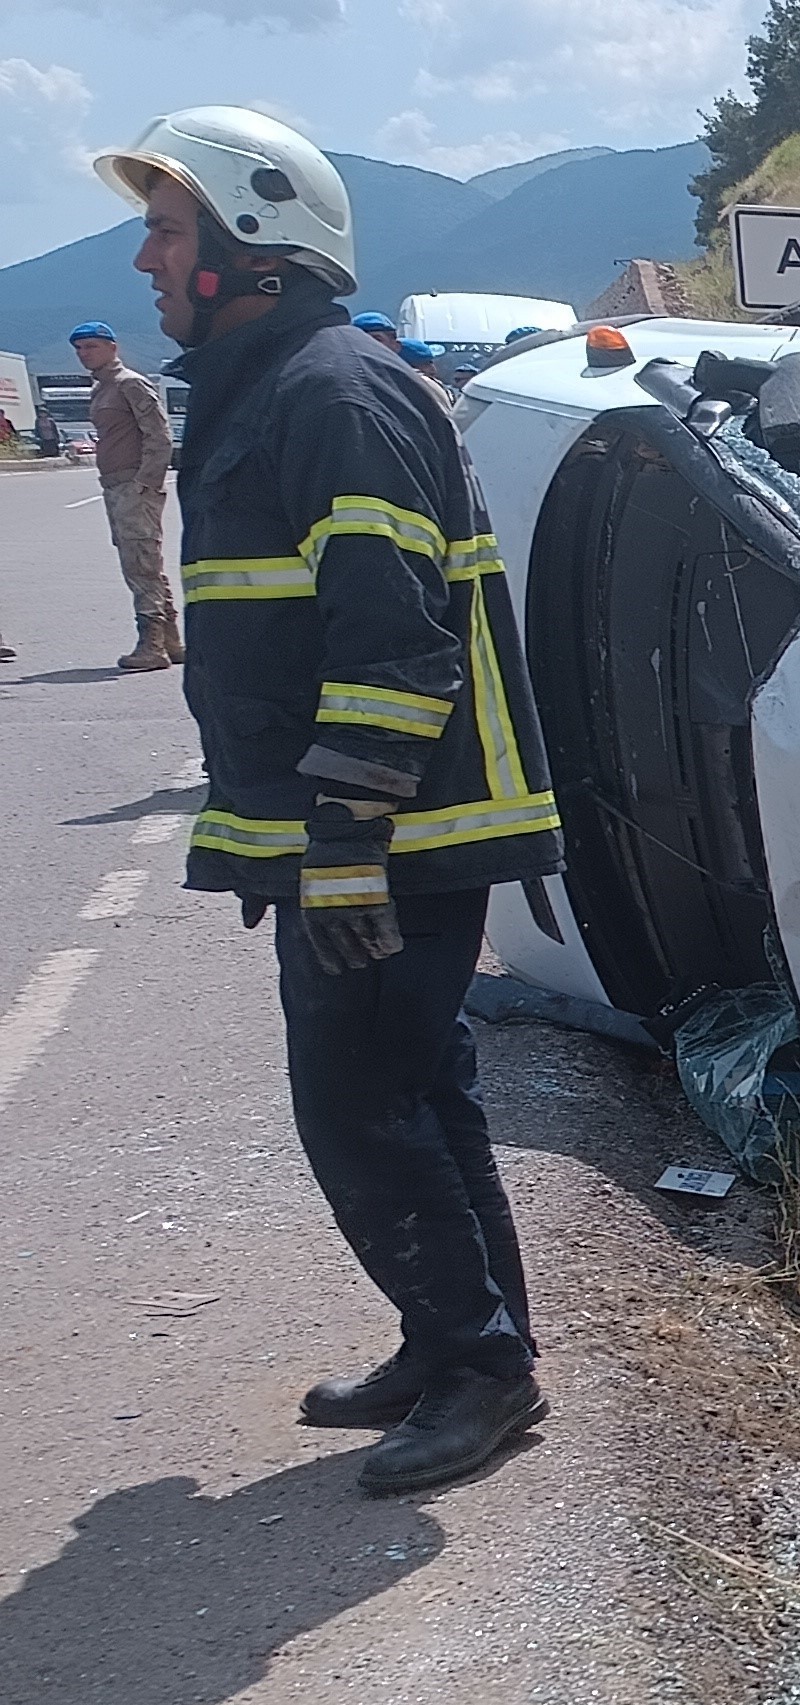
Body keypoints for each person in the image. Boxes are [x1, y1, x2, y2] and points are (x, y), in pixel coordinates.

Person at [98, 104, 564, 1492]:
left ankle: (476, 1366)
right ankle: (467, 1351)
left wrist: (346, 847)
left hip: (392, 839)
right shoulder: (281, 389)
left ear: (253, 248)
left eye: (165, 230)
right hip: (371, 834)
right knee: (420, 1092)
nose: (142, 260)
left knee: (358, 1105)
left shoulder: (332, 398)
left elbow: (394, 643)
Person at [73, 320, 181, 671]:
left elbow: (159, 435)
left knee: (140, 560)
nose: (84, 354)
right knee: (142, 559)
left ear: (112, 347)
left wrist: (146, 483)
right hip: (115, 484)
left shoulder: (129, 383)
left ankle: (151, 644)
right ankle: (169, 640)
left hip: (134, 485)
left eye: (91, 346)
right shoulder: (101, 389)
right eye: (79, 348)